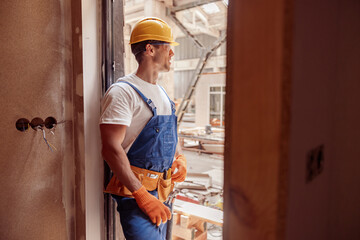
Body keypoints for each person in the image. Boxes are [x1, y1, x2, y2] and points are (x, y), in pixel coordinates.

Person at [99, 17, 187, 240]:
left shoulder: (163, 94)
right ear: (150, 49)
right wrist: (142, 196)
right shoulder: (123, 92)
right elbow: (110, 149)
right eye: (168, 47)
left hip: (164, 190)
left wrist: (179, 157)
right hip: (137, 195)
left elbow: (168, 135)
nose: (172, 54)